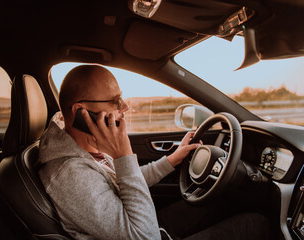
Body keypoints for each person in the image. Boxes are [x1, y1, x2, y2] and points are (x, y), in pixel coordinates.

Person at [38, 64, 270, 240]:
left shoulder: (84, 147)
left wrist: (171, 160)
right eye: (116, 101)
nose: (125, 107)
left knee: (223, 202)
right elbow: (145, 236)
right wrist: (122, 155)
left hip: (141, 225)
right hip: (144, 232)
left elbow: (125, 183)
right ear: (81, 112)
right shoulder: (70, 174)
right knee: (256, 224)